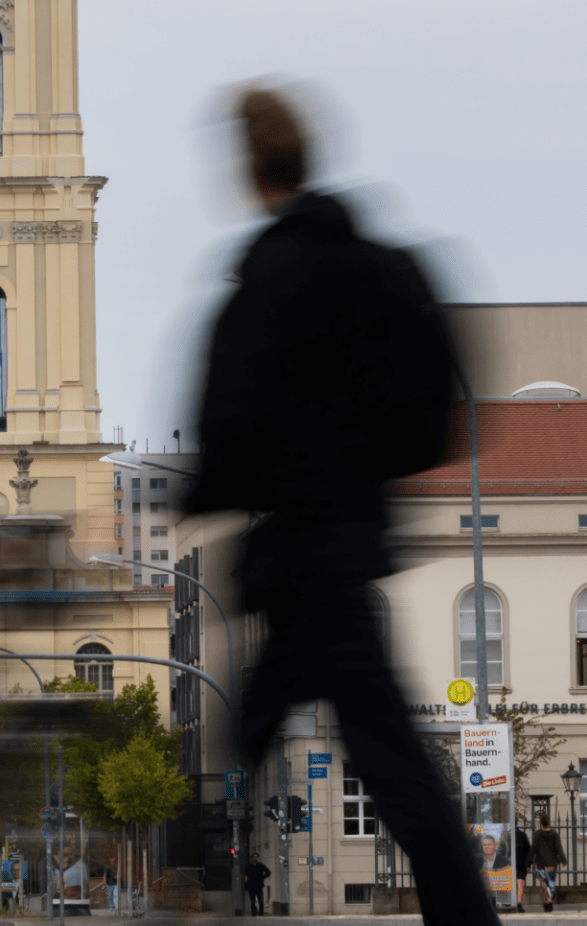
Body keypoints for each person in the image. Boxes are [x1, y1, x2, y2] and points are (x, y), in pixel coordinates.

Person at [192, 83, 496, 926]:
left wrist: (203, 492)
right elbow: (437, 407)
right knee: (324, 732)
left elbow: (227, 411)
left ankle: (192, 893)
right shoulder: (381, 264)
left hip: (298, 548)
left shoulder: (269, 270)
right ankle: (196, 896)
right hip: (350, 535)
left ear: (251, 170)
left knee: (362, 749)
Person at [531, 816, 565, 912]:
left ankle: (548, 901)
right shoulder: (554, 834)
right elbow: (559, 847)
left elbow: (533, 848)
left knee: (544, 884)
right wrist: (563, 860)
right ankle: (549, 901)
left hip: (541, 863)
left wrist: (528, 861)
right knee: (551, 882)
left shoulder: (537, 834)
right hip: (552, 863)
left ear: (541, 823)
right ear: (549, 822)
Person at [514, 824, 532, 911]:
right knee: (520, 882)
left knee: (508, 882)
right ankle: (519, 903)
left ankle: (508, 902)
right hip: (521, 862)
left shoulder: (505, 834)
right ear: (517, 824)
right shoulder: (522, 834)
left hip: (508, 863)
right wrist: (529, 863)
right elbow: (528, 849)